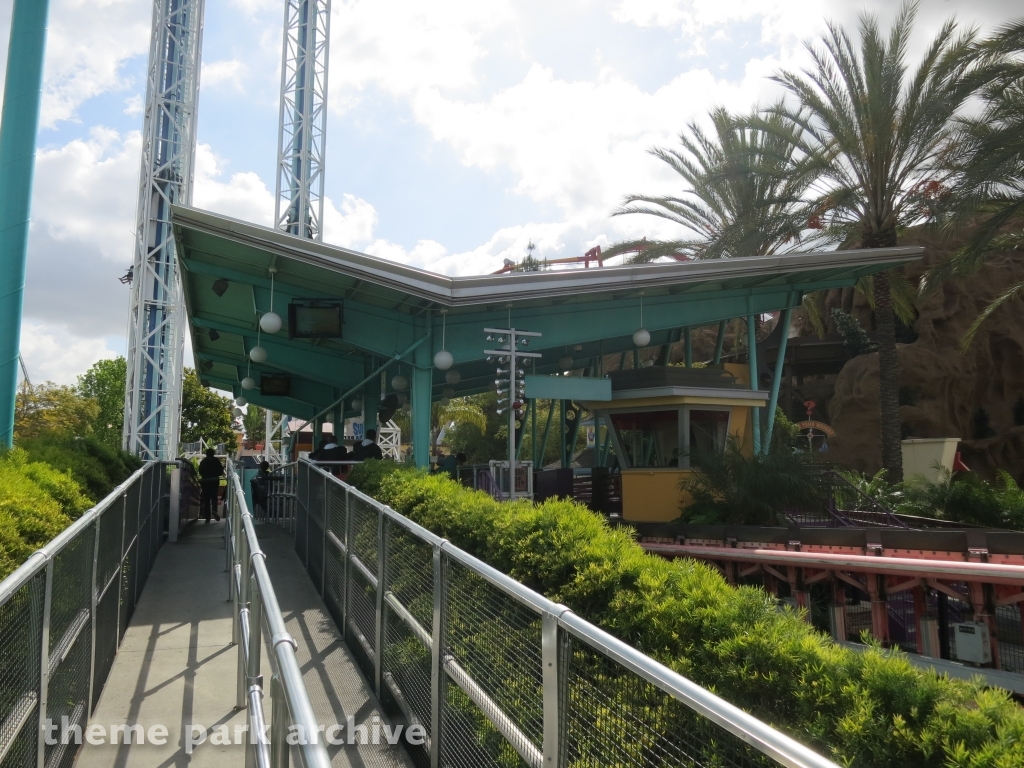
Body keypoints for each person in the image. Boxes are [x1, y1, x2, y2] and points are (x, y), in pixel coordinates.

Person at [197, 448, 224, 523]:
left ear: (206, 454)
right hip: (214, 481)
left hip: (205, 481)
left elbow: (200, 472)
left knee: (206, 499)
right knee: (214, 497)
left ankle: (207, 518)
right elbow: (220, 471)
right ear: (213, 454)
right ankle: (214, 510)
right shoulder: (216, 461)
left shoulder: (203, 462)